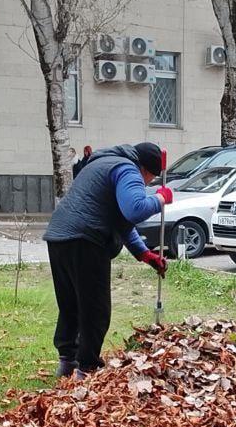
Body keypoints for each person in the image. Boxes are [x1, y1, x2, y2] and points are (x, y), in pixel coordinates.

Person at [43, 142, 173, 378]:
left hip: (58, 237)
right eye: (150, 179)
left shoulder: (103, 163)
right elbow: (135, 209)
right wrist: (160, 199)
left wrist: (144, 253)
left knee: (71, 305)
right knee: (95, 309)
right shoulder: (127, 169)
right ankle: (86, 369)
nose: (148, 184)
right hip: (85, 240)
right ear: (146, 170)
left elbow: (121, 220)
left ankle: (67, 363)